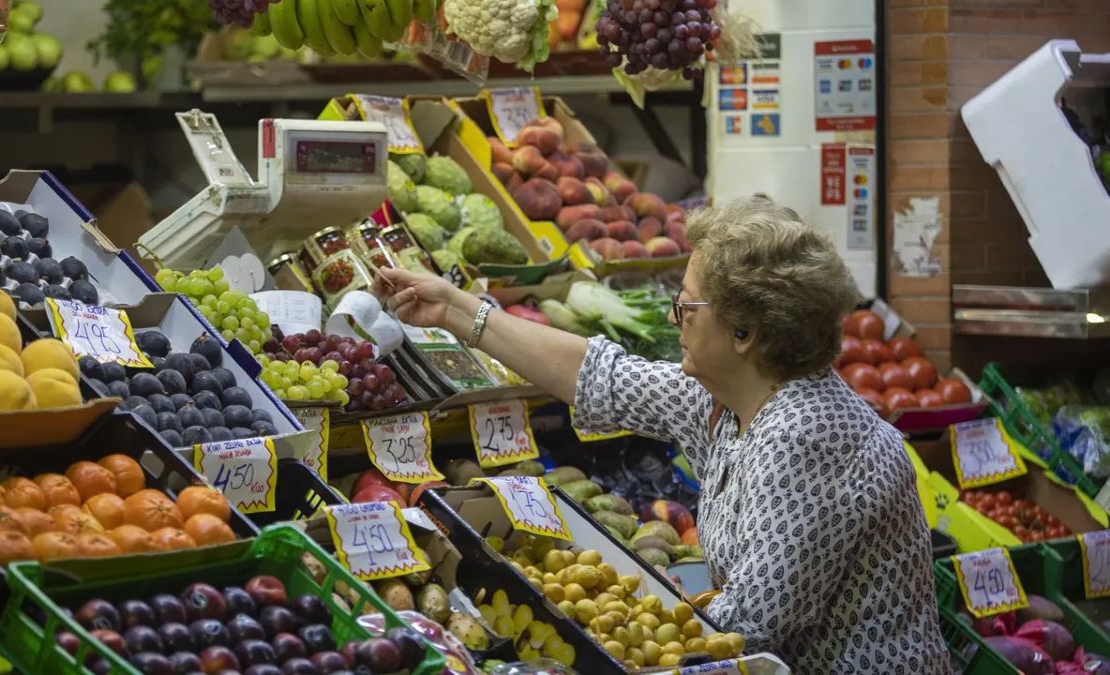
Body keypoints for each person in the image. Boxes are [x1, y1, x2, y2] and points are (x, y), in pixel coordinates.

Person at [375, 195, 948, 673]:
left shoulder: (806, 434)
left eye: (688, 304)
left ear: (745, 332)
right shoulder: (728, 396)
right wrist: (454, 310)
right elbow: (599, 377)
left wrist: (611, 631)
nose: (675, 317)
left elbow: (745, 625)